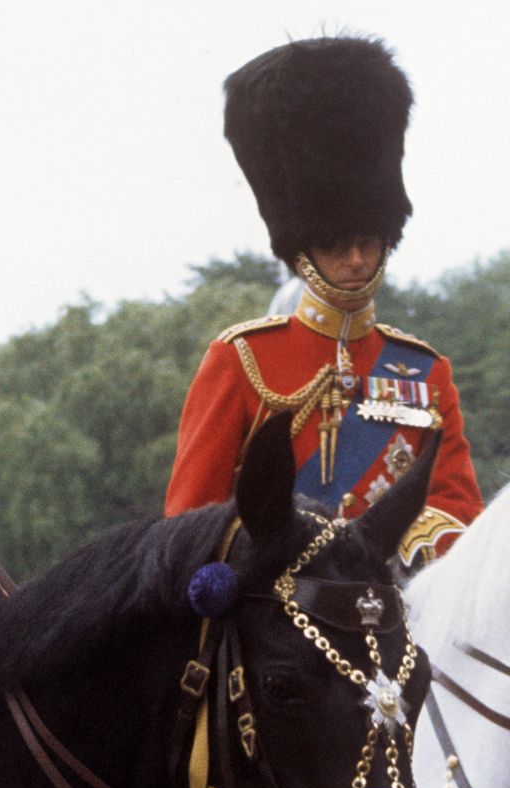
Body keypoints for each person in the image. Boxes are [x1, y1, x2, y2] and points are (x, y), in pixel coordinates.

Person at [165, 36, 482, 566]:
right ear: (303, 248)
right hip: (277, 616)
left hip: (394, 604)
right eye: (338, 246)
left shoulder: (426, 373)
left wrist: (399, 544)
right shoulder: (241, 359)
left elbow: (458, 509)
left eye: (369, 243)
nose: (357, 260)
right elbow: (188, 523)